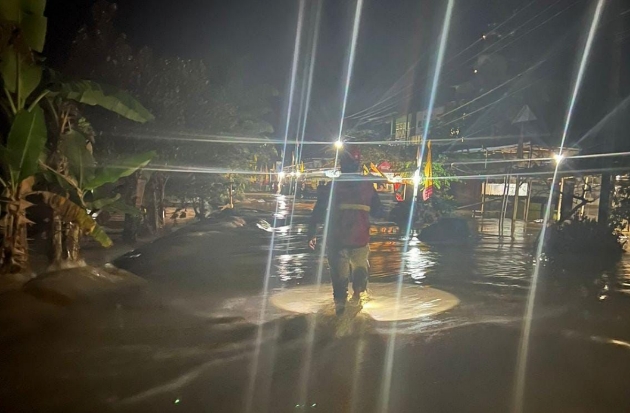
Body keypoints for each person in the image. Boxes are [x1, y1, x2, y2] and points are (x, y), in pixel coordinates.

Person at [307, 146, 384, 315]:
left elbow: (318, 211)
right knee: (360, 270)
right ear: (358, 164)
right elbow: (379, 212)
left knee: (339, 277)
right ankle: (357, 296)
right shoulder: (367, 186)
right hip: (360, 239)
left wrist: (311, 233)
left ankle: (340, 309)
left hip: (337, 240)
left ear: (341, 164)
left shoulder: (332, 187)